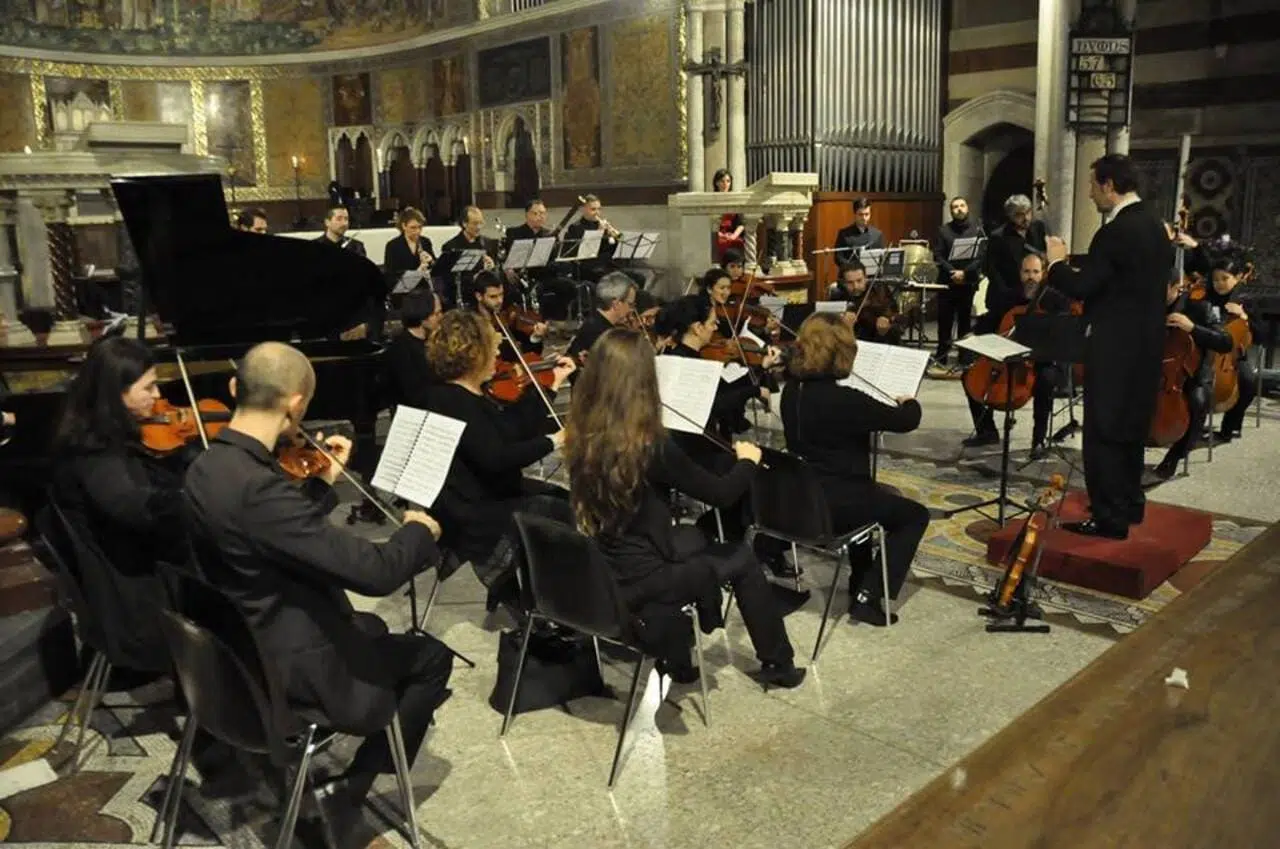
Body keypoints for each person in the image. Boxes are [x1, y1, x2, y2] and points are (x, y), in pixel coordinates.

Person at [182, 342, 453, 819]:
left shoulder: (206, 466)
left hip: (240, 646)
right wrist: (417, 531)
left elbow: (274, 534)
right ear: (295, 404)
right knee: (431, 656)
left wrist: (322, 484)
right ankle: (355, 789)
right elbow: (375, 573)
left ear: (234, 387)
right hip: (287, 667)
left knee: (372, 628)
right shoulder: (257, 487)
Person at [566, 327, 805, 687]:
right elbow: (721, 494)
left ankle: (683, 651)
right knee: (740, 557)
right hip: (645, 577)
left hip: (605, 563)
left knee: (695, 535)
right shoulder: (650, 445)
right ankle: (779, 665)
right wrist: (747, 461)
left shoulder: (581, 432)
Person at [1045, 153, 1172, 539]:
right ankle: (1130, 504)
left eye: (1092, 185)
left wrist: (1055, 265)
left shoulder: (1115, 232)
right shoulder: (1155, 226)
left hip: (1114, 347)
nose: (1089, 193)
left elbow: (1084, 287)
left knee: (1103, 432)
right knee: (1130, 428)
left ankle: (1108, 518)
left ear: (1109, 185)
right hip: (1147, 345)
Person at [48, 337, 190, 672]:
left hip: (134, 580)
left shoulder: (100, 437)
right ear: (116, 393)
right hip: (136, 605)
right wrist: (193, 496)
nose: (158, 396)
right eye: (149, 387)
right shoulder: (95, 454)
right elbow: (133, 507)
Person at [781, 313, 930, 625]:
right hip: (836, 506)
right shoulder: (845, 399)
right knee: (915, 515)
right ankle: (868, 597)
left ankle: (860, 579)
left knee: (869, 496)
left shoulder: (792, 390)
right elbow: (905, 421)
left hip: (802, 499)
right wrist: (910, 402)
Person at [424, 310, 575, 600]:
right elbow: (497, 458)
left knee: (562, 498)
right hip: (474, 510)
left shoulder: (462, 394)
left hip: (488, 493)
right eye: (492, 347)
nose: (497, 353)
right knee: (560, 512)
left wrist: (552, 383)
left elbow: (512, 428)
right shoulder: (455, 402)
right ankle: (545, 598)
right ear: (473, 354)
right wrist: (553, 441)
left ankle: (533, 593)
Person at [966, 252, 1074, 457]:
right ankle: (986, 431)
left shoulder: (1054, 299)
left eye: (1035, 272)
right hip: (1009, 359)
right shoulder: (1010, 296)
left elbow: (1062, 330)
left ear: (1043, 274)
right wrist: (975, 332)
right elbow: (991, 319)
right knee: (970, 376)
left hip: (1042, 360)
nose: (1030, 277)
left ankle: (1038, 440)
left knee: (1046, 379)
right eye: (1026, 272)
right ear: (1020, 274)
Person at [1153, 275, 1232, 480]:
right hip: (1153, 369)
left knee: (1198, 401)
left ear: (1175, 287)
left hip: (1191, 372)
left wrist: (1193, 328)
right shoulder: (1145, 306)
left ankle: (1176, 455)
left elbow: (1225, 342)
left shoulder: (1200, 307)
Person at [1199, 239, 1258, 442]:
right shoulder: (1205, 298)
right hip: (1205, 350)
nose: (1220, 283)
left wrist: (1244, 316)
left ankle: (1230, 426)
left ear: (1237, 278)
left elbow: (1260, 334)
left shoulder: (1245, 300)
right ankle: (1194, 423)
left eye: (1225, 278)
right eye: (1216, 279)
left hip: (1233, 356)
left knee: (1248, 382)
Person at [502, 197, 578, 321]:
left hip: (546, 276)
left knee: (570, 286)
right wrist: (508, 268)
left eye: (542, 213)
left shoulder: (550, 234)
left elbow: (555, 260)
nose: (540, 217)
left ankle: (560, 320)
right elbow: (506, 257)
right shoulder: (514, 233)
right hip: (523, 278)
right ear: (527, 215)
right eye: (535, 213)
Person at [933, 196, 984, 363]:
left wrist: (965, 273)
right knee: (945, 322)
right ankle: (942, 357)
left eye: (962, 205)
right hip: (947, 283)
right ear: (951, 211)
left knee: (965, 322)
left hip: (967, 282)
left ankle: (965, 357)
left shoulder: (977, 229)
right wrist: (953, 272)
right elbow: (938, 256)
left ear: (967, 208)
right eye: (955, 207)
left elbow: (981, 256)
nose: (959, 209)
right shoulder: (943, 231)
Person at [382, 289, 443, 411]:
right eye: (437, 314)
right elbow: (415, 395)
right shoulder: (400, 349)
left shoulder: (435, 339)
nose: (442, 317)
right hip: (417, 411)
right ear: (423, 317)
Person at [468, 269, 546, 359]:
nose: (500, 301)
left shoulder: (504, 320)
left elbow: (523, 353)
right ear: (479, 296)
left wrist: (536, 337)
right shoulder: (470, 324)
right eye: (493, 296)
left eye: (501, 294)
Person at [566, 272, 637, 367]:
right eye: (630, 304)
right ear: (616, 304)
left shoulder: (594, 321)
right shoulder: (602, 334)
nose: (632, 310)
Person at [828, 261, 903, 344]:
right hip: (851, 343)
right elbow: (828, 330)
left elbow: (898, 320)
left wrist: (887, 324)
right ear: (843, 283)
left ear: (865, 278)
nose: (855, 286)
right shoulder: (838, 296)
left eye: (859, 280)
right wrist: (842, 324)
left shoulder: (879, 291)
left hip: (880, 343)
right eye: (850, 282)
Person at [436, 205, 498, 306]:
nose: (479, 227)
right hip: (463, 293)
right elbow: (447, 279)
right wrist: (475, 277)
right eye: (475, 223)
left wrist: (491, 267)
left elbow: (493, 274)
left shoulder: (487, 243)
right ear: (464, 224)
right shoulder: (451, 246)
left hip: (484, 292)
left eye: (481, 223)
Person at [383, 207, 436, 307]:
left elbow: (436, 268)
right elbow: (391, 275)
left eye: (420, 227)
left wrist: (431, 260)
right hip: (403, 294)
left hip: (423, 290)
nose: (418, 231)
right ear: (404, 226)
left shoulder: (425, 242)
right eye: (413, 228)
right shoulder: (393, 245)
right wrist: (417, 272)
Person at [562, 193, 620, 283]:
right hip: (587, 267)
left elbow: (609, 250)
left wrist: (612, 238)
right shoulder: (575, 227)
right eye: (593, 209)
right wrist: (599, 233)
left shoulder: (602, 224)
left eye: (599, 209)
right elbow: (585, 253)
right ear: (583, 210)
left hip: (604, 264)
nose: (597, 212)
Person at [712, 168, 745, 262]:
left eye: (728, 181)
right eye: (722, 181)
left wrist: (734, 236)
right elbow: (707, 223)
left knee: (739, 242)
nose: (725, 184)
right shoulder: (711, 199)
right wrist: (721, 235)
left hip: (731, 234)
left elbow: (741, 223)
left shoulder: (735, 199)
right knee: (719, 243)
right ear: (716, 183)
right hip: (716, 234)